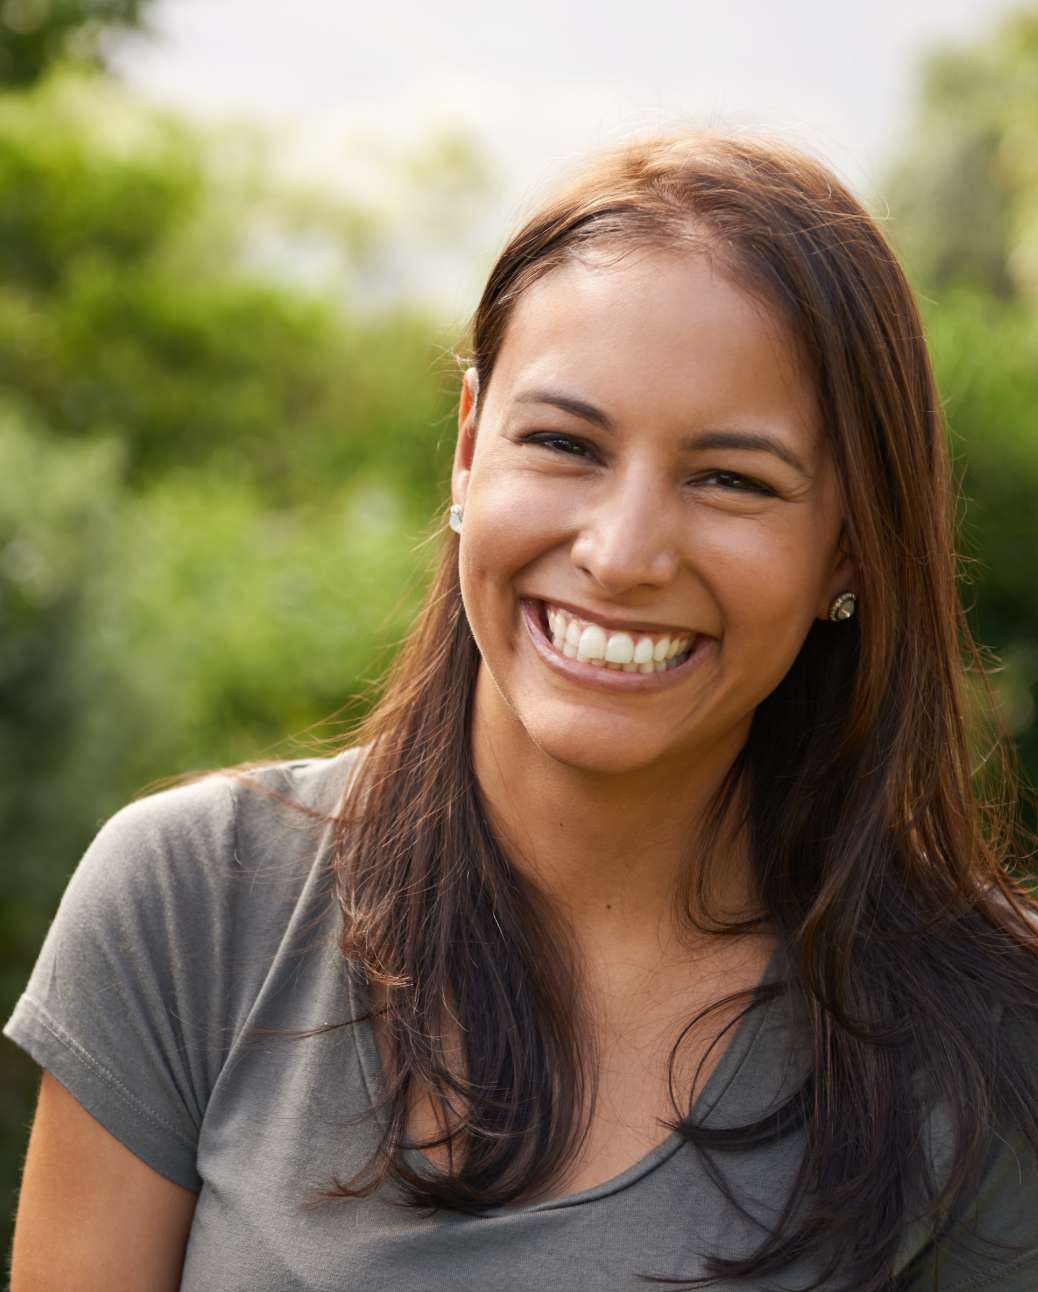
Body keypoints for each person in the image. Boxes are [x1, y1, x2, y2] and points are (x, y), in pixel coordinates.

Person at [5, 130, 1038, 1292]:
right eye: (562, 443)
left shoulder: (992, 1040)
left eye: (732, 479)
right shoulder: (192, 906)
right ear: (466, 447)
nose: (623, 551)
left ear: (849, 543)